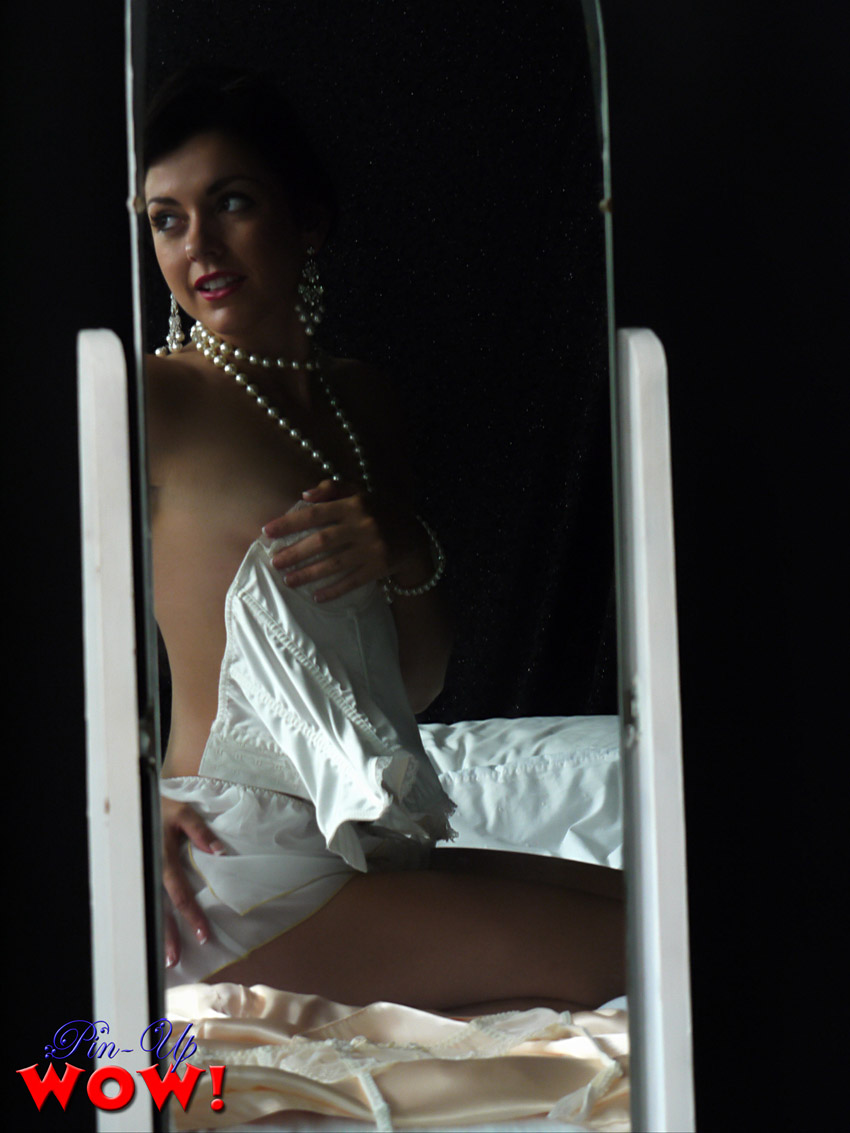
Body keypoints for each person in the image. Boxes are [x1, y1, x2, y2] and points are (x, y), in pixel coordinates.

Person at [145, 66, 624, 1015]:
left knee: (663, 900)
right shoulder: (156, 401)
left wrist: (402, 548)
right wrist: (118, 800)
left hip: (368, 838)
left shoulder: (363, 401)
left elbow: (415, 679)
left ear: (308, 219)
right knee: (645, 950)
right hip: (233, 860)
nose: (198, 244)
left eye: (231, 202)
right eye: (166, 219)